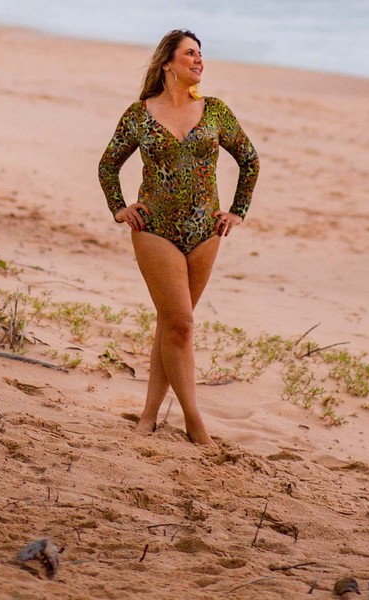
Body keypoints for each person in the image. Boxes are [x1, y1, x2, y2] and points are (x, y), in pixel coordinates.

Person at [98, 28, 259, 445]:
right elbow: (107, 164)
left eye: (201, 54)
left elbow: (250, 160)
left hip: (206, 231)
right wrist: (119, 207)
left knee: (172, 325)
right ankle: (194, 421)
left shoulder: (216, 111)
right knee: (182, 324)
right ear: (168, 62)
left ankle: (148, 416)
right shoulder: (139, 114)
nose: (198, 60)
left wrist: (237, 212)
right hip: (154, 231)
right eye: (190, 53)